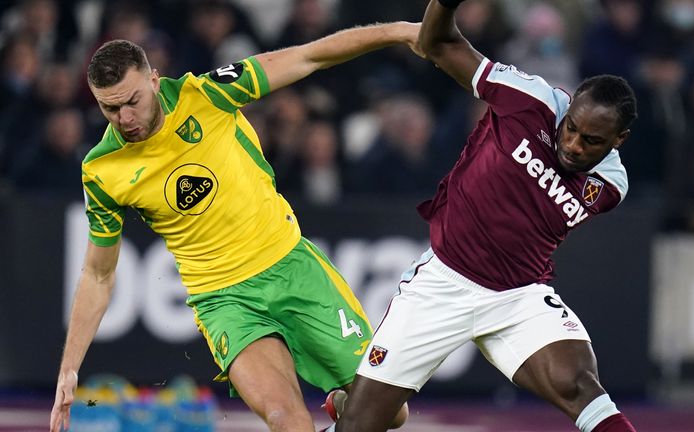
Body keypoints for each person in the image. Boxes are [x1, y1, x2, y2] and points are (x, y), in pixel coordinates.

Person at [49, 21, 420, 432]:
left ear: (154, 80)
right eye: (109, 108)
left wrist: (401, 31)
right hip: (224, 301)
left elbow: (310, 55)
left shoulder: (208, 94)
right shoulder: (102, 170)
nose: (124, 118)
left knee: (390, 412)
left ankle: (341, 406)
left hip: (292, 268)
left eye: (132, 101)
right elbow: (98, 274)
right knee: (285, 419)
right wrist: (69, 371)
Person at [324, 1, 639, 431]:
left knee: (580, 387)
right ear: (568, 107)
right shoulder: (529, 100)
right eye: (571, 128)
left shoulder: (611, 188)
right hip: (443, 283)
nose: (574, 145)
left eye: (592, 140)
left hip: (519, 296)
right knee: (360, 426)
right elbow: (435, 43)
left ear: (618, 140)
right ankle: (350, 409)